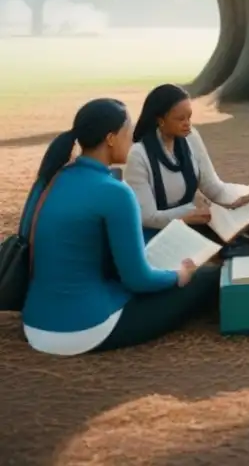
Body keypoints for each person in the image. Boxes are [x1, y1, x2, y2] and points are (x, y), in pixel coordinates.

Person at [21, 98, 219, 355]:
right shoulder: (115, 192)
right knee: (207, 277)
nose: (134, 141)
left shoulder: (54, 177)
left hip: (35, 324)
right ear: (111, 138)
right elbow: (139, 280)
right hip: (84, 330)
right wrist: (179, 275)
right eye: (129, 132)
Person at [123, 84, 249, 255]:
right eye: (180, 119)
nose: (187, 124)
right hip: (159, 231)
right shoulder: (139, 154)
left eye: (189, 117)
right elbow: (147, 217)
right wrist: (188, 214)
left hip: (193, 221)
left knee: (244, 238)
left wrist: (237, 200)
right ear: (160, 120)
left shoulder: (191, 137)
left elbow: (212, 187)